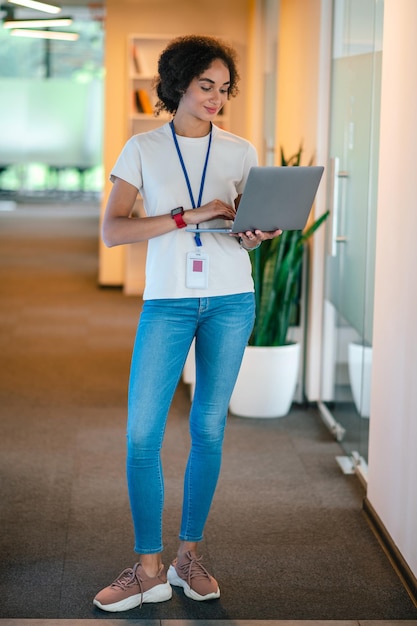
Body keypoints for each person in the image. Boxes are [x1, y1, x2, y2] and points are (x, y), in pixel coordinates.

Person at [93, 34, 281, 613]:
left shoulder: (240, 149)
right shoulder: (143, 149)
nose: (216, 98)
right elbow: (115, 230)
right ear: (178, 85)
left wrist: (257, 231)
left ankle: (187, 557)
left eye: (224, 89)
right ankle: (146, 566)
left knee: (208, 430)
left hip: (231, 297)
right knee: (143, 434)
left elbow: (248, 221)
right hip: (169, 301)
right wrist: (185, 216)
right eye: (205, 86)